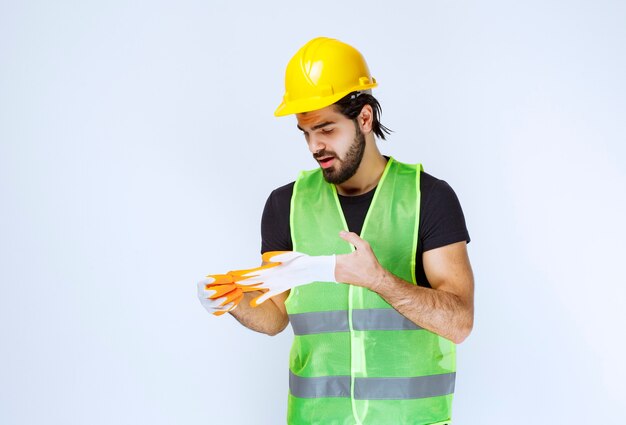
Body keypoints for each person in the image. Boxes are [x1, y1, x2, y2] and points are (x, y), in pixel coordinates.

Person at [199, 37, 474, 425]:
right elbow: (276, 316)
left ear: (364, 118)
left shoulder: (428, 197)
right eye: (306, 132)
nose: (315, 145)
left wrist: (380, 281)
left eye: (326, 129)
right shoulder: (285, 205)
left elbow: (459, 322)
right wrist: (232, 301)